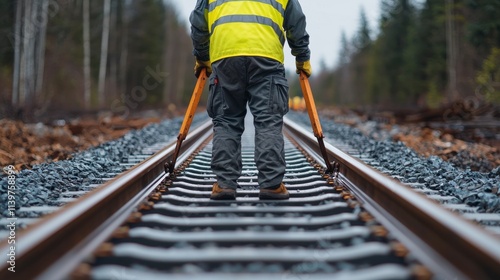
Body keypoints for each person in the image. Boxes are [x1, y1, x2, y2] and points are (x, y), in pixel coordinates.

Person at [190, 0, 311, 200]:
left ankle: (225, 185)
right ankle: (271, 185)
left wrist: (203, 58)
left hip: (225, 57)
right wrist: (302, 57)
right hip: (266, 58)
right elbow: (296, 24)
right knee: (268, 120)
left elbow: (198, 25)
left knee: (226, 121)